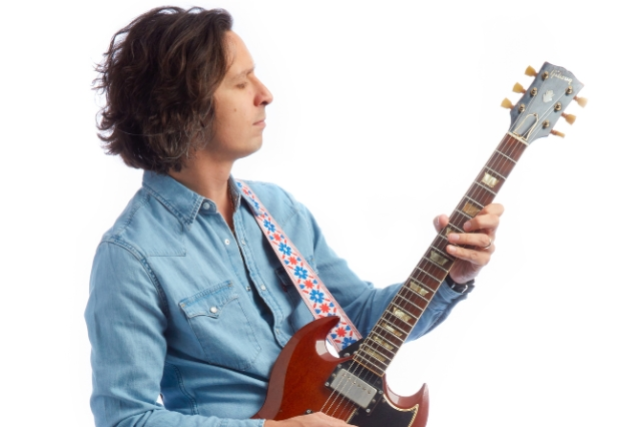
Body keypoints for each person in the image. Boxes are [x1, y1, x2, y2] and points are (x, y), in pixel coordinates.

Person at [85, 6, 504, 427]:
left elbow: (357, 318)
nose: (265, 93)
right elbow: (125, 419)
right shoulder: (131, 255)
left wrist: (452, 276)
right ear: (183, 107)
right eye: (241, 82)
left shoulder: (278, 210)